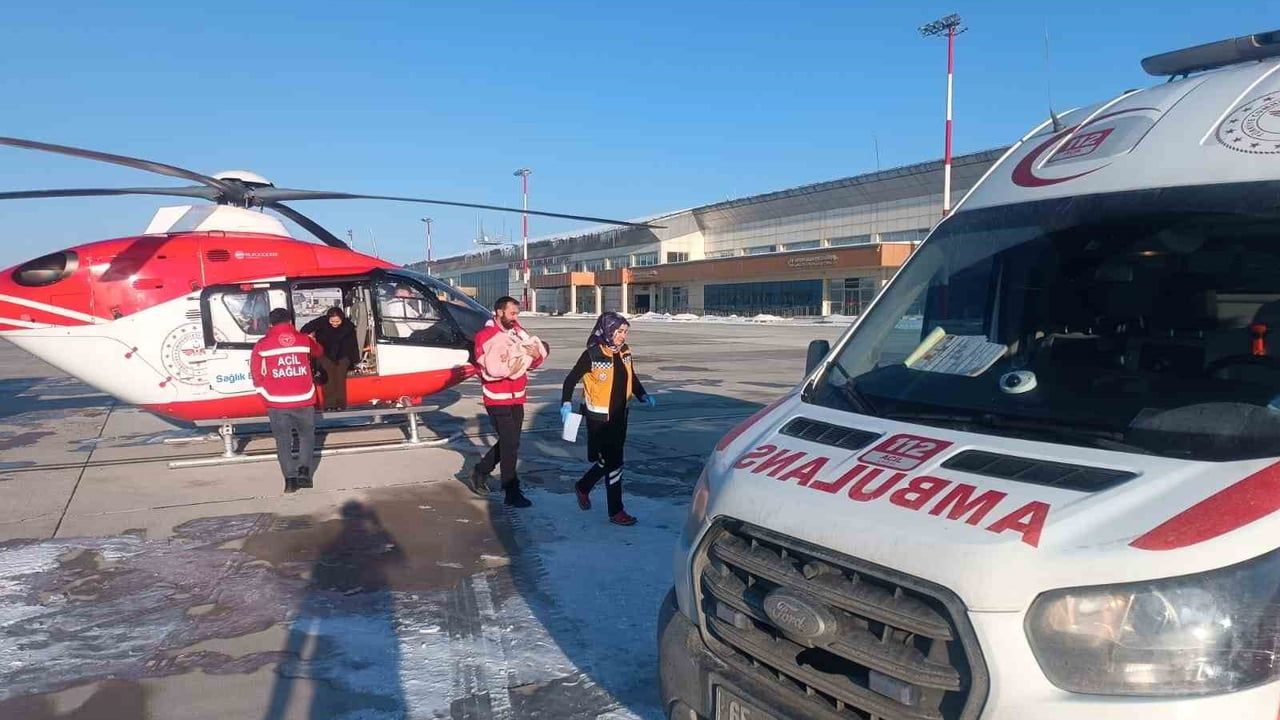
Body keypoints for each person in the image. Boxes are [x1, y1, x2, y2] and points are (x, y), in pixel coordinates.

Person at [560, 311, 655, 526]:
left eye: (625, 332)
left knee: (608, 460)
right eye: (619, 331)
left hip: (621, 415)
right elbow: (570, 380)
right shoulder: (593, 354)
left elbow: (632, 376)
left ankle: (583, 486)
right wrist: (566, 403)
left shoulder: (625, 352)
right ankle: (616, 511)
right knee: (615, 463)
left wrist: (642, 394)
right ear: (608, 330)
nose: (623, 336)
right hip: (600, 420)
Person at [468, 296, 548, 507]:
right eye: (512, 313)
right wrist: (507, 371)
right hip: (497, 398)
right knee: (510, 443)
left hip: (517, 396)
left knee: (510, 442)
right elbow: (484, 370)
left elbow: (532, 362)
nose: (515, 318)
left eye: (517, 314)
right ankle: (511, 491)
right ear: (499, 312)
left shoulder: (518, 332)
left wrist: (536, 354)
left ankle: (480, 471)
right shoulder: (485, 336)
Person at [251, 308, 324, 493]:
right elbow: (319, 352)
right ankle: (305, 473)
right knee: (306, 436)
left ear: (270, 324)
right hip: (304, 398)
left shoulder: (262, 344)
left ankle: (290, 481)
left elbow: (256, 372)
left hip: (276, 401)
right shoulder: (303, 339)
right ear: (290, 322)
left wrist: (263, 393)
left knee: (283, 441)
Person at [301, 306, 360, 411]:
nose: (335, 323)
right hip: (325, 355)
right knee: (328, 380)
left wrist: (354, 361)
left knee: (340, 380)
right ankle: (329, 405)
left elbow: (353, 345)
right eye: (332, 321)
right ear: (328, 318)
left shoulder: (348, 326)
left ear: (342, 319)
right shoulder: (321, 322)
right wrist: (310, 338)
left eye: (337, 321)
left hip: (343, 356)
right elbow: (304, 329)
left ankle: (340, 405)